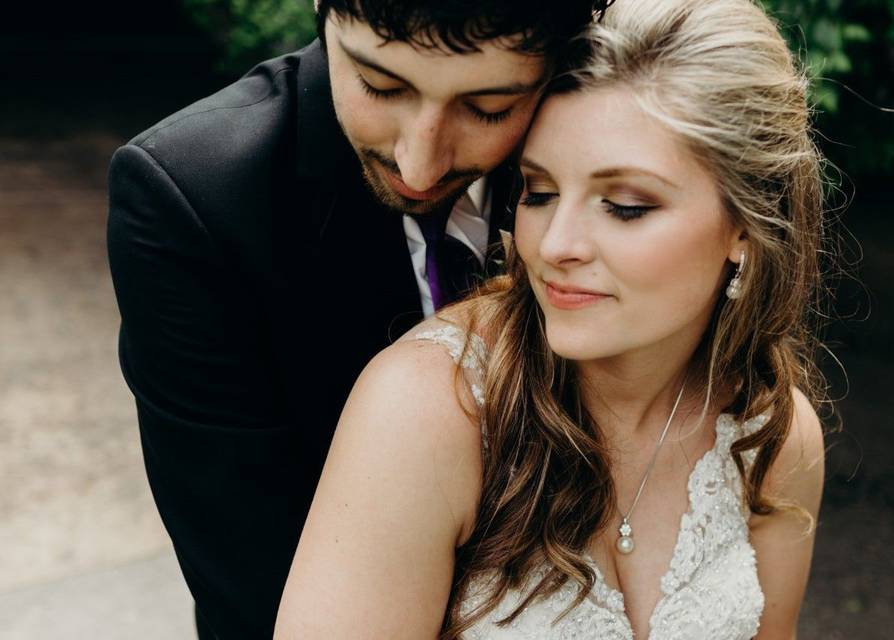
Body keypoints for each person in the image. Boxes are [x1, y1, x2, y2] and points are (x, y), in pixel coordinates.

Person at [275, 0, 828, 637]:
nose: (555, 243)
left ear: (746, 226)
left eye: (624, 205)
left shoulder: (773, 434)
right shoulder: (429, 409)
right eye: (538, 193)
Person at [106, 1, 608, 637]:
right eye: (380, 86)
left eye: (488, 108)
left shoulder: (616, 132)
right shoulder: (194, 199)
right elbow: (248, 574)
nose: (419, 164)